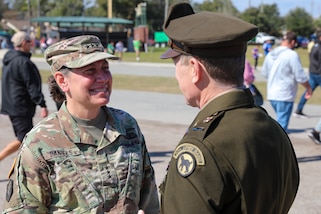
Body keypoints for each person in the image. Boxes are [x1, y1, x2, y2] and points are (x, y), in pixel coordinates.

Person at [159, 3, 299, 214]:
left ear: (195, 70)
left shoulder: (204, 147)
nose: (176, 73)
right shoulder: (272, 128)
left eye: (176, 62)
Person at [2, 35, 159, 213]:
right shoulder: (40, 144)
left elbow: (149, 200)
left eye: (105, 68)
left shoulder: (127, 126)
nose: (103, 78)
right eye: (90, 70)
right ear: (62, 81)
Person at [0, 31, 48, 162]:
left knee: (25, 139)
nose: (32, 44)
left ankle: (24, 165)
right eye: (29, 42)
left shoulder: (9, 60)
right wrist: (42, 104)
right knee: (24, 139)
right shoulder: (23, 62)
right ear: (23, 43)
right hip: (20, 106)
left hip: (11, 104)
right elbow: (32, 86)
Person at [262, 32, 312, 132]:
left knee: (279, 120)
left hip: (272, 93)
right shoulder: (291, 55)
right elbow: (300, 76)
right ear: (293, 42)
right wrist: (308, 88)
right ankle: (277, 145)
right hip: (285, 94)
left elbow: (264, 73)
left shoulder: (271, 53)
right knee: (281, 125)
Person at [293, 30, 321, 118]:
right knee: (308, 91)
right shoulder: (319, 47)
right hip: (319, 73)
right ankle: (298, 110)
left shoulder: (314, 45)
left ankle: (298, 110)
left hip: (313, 72)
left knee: (308, 91)